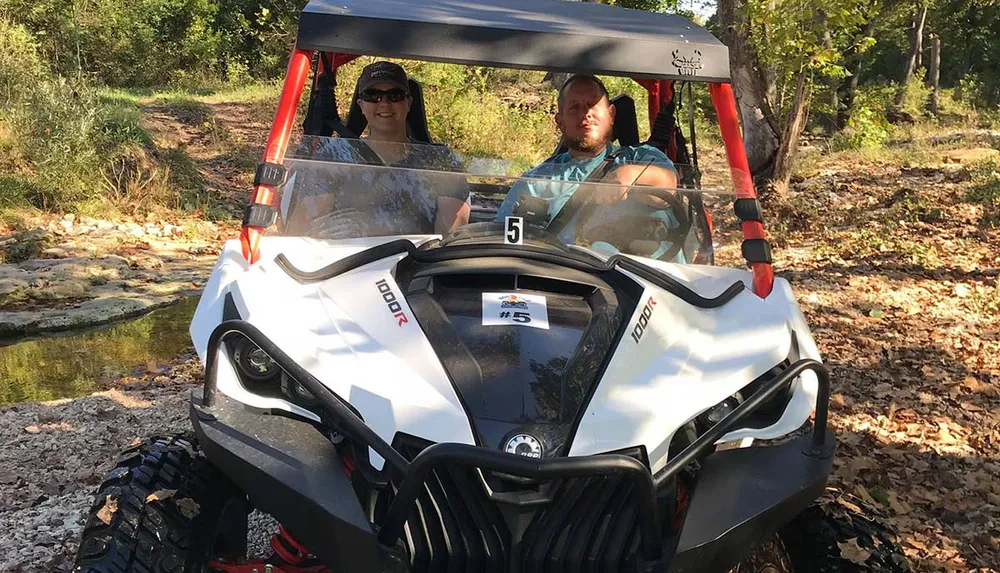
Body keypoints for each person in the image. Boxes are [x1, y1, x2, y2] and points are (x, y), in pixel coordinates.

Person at [494, 74, 680, 254]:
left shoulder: (641, 158)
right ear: (560, 122)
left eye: (592, 105)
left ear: (611, 114)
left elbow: (667, 187)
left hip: (639, 278)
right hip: (563, 277)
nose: (585, 114)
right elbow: (503, 240)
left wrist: (629, 174)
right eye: (574, 108)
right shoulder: (536, 180)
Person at [291, 61, 470, 238]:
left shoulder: (440, 160)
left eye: (395, 95)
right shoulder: (333, 156)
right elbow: (300, 228)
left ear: (408, 102)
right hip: (347, 262)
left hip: (419, 263)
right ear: (361, 105)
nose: (384, 103)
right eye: (372, 95)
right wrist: (321, 231)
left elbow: (449, 238)